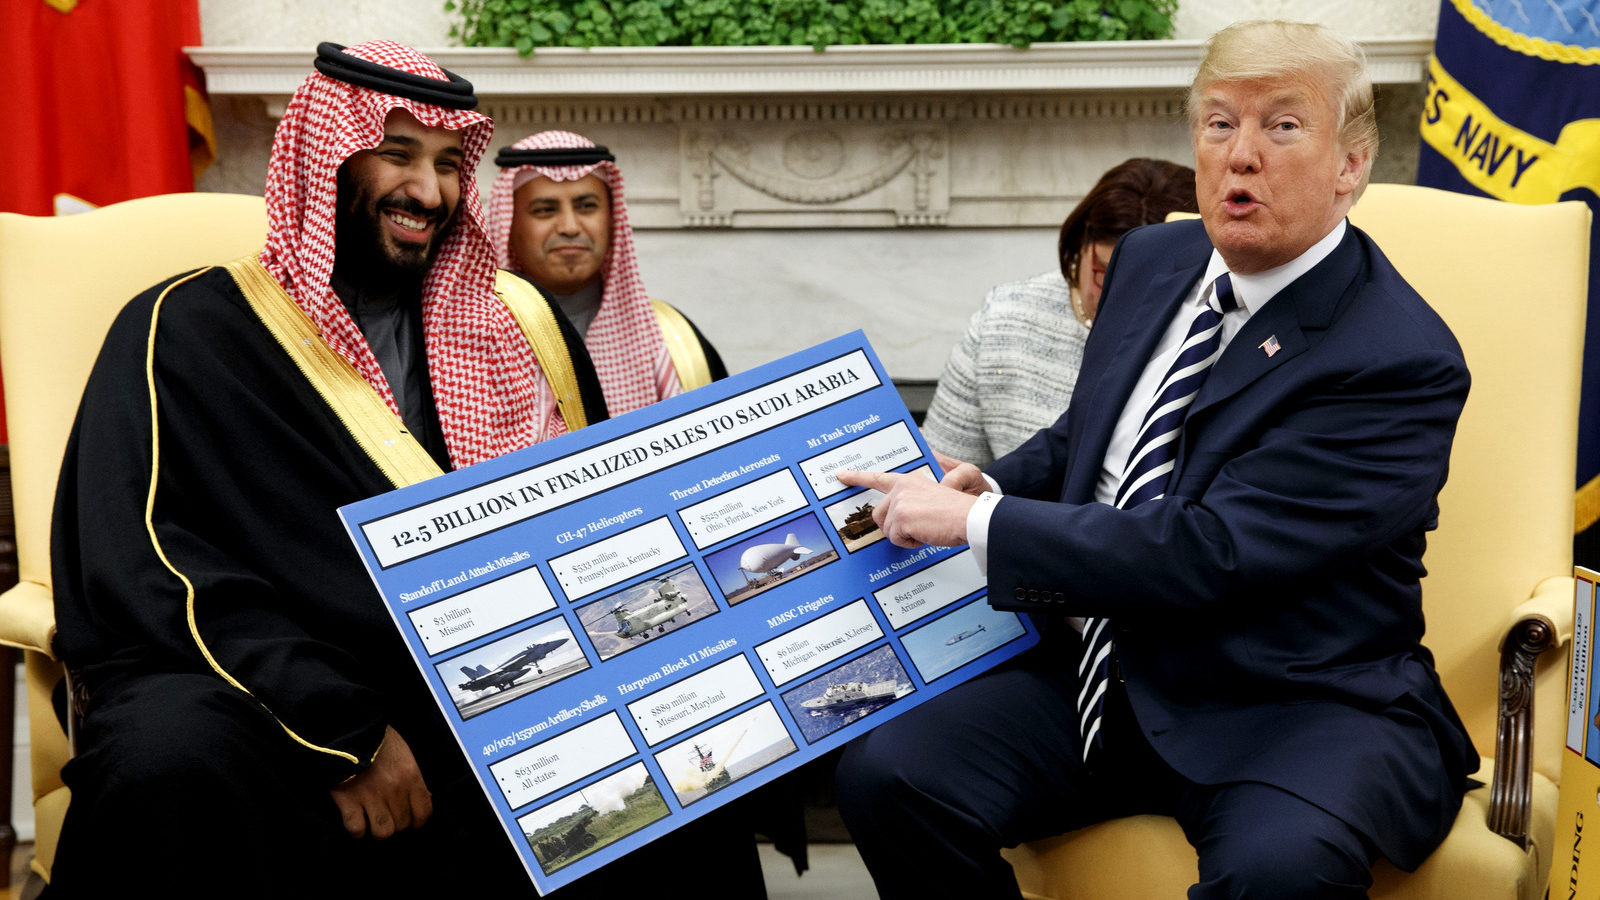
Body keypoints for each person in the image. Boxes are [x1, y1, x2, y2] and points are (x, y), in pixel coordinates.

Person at [47, 40, 766, 899]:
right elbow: (149, 571)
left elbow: (600, 522)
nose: (428, 192)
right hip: (276, 698)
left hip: (484, 692)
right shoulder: (184, 329)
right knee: (167, 750)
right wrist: (345, 733)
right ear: (326, 156)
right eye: (398, 155)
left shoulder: (519, 328)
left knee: (680, 752)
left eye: (449, 164)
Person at [835, 20, 1477, 899]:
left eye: (1283, 125)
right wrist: (989, 480)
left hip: (1288, 704)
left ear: (1351, 164)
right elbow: (1092, 436)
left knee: (1277, 873)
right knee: (890, 773)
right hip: (1103, 673)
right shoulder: (1153, 258)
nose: (1240, 155)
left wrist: (981, 522)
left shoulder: (1395, 358)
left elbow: (1212, 550)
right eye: (1219, 123)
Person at [920, 158, 1196, 467]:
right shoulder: (1003, 321)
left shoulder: (1213, 329)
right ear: (1081, 243)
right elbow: (941, 472)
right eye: (1106, 273)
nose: (1124, 297)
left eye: (1149, 283)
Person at [486, 129, 727, 432]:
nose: (570, 227)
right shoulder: (476, 345)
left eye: (586, 206)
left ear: (612, 220)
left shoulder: (677, 342)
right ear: (508, 225)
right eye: (545, 210)